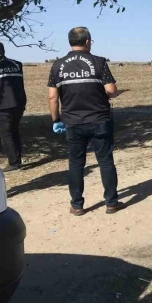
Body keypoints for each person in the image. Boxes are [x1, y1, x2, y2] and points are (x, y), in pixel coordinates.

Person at [47, 27, 123, 216]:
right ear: (87, 41)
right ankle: (111, 203)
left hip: (72, 121)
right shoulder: (99, 62)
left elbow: (52, 97)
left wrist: (56, 119)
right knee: (105, 161)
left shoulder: (57, 65)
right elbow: (111, 90)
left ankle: (77, 205)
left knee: (76, 163)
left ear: (70, 42)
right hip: (99, 119)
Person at [0, 42, 28, 172]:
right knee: (14, 130)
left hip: (2, 104)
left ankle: (13, 162)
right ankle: (18, 158)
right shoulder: (17, 64)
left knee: (5, 134)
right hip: (19, 103)